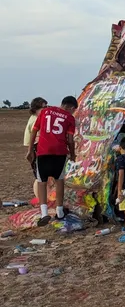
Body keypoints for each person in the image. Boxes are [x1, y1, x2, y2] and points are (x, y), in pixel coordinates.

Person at [27, 96, 78, 226]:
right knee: (59, 181)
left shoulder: (45, 111)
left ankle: (44, 213)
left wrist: (30, 150)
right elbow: (70, 139)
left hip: (43, 150)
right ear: (71, 108)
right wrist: (72, 154)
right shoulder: (70, 118)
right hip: (60, 152)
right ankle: (59, 211)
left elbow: (34, 130)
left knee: (41, 181)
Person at [23, 97, 48, 202]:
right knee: (40, 178)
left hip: (36, 149)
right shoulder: (36, 120)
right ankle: (41, 199)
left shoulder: (34, 118)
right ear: (36, 108)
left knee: (40, 177)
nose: (46, 109)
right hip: (37, 149)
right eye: (44, 107)